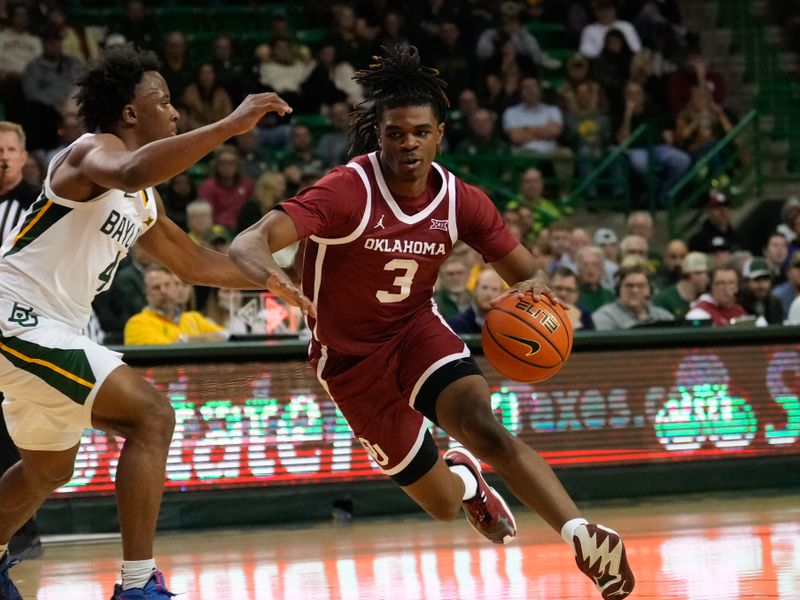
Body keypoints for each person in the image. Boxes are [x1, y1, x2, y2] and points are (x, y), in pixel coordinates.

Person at [229, 46, 634, 600]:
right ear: (378, 135)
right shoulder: (346, 189)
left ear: (439, 134)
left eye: (420, 132)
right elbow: (247, 241)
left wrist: (539, 312)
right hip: (349, 361)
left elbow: (528, 276)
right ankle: (466, 480)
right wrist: (272, 279)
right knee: (443, 505)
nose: (408, 143)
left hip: (416, 331)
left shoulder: (461, 200)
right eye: (396, 133)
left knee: (481, 422)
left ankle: (582, 535)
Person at [0, 45, 293, 599]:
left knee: (46, 471)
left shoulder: (144, 201)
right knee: (152, 416)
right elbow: (133, 167)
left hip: (50, 328)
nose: (176, 112)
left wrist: (278, 278)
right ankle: (138, 586)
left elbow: (196, 263)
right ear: (132, 112)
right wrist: (228, 126)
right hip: (14, 315)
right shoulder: (91, 151)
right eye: (164, 101)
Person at [0, 122, 44, 561]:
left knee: (16, 439)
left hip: (23, 331)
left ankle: (24, 532)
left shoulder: (37, 200)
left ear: (23, 154)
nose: (3, 156)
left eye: (10, 148)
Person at [124, 266, 227, 345]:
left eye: (167, 285)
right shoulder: (137, 323)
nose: (163, 291)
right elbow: (166, 352)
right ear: (146, 294)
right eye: (156, 287)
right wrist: (201, 338)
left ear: (175, 287)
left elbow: (226, 336)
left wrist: (184, 339)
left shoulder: (193, 317)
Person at [593, 264, 675, 330]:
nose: (635, 290)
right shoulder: (605, 316)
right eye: (629, 286)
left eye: (641, 286)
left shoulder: (663, 316)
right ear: (619, 289)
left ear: (649, 290)